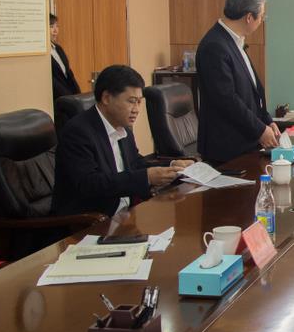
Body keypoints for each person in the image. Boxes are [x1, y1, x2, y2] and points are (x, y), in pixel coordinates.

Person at [52, 65, 192, 218]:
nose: (136, 109)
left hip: (125, 215)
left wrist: (172, 166)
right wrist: (146, 177)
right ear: (106, 98)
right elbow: (90, 184)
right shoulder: (78, 132)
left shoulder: (122, 127)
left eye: (139, 102)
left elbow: (135, 164)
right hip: (90, 220)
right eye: (131, 101)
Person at [196, 0, 279, 163]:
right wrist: (259, 130)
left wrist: (267, 121)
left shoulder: (235, 42)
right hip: (227, 149)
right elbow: (227, 100)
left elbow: (252, 93)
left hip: (245, 143)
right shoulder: (214, 46)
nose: (261, 21)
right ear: (249, 17)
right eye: (261, 16)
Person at [50, 13, 80, 108]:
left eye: (57, 26)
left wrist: (78, 94)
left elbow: (68, 73)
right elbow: (53, 80)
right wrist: (67, 97)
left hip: (70, 97)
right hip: (58, 100)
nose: (55, 31)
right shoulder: (44, 54)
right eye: (51, 27)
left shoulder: (58, 48)